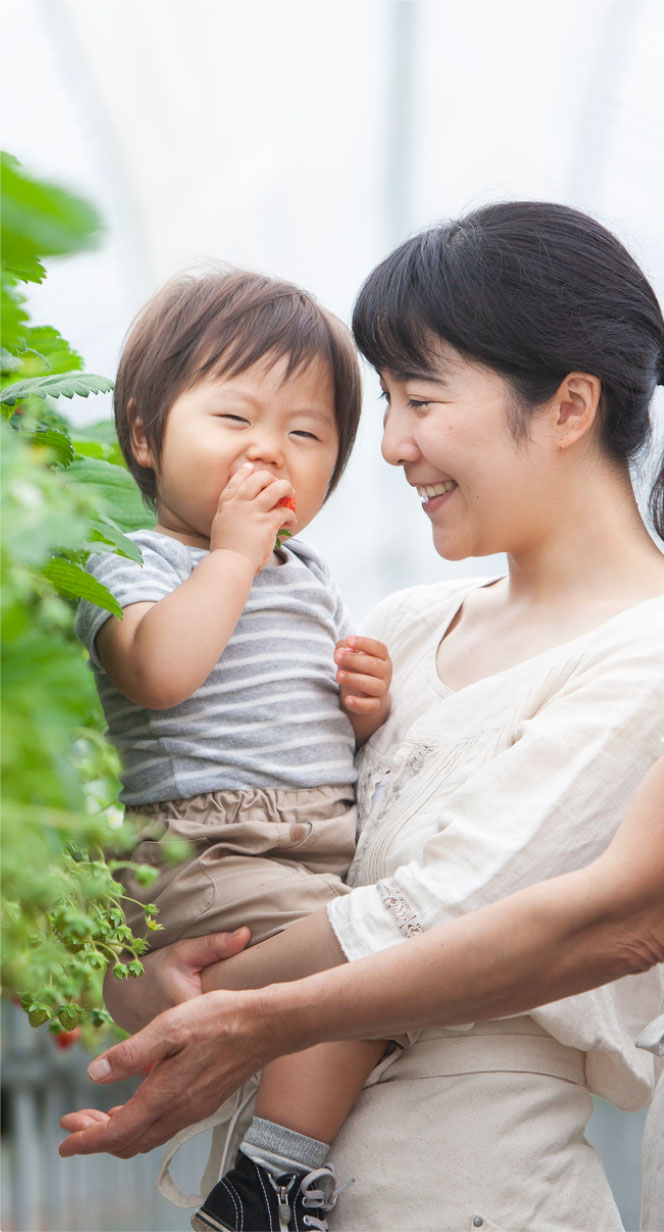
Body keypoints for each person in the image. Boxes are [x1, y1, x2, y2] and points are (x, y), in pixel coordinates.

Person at [64, 203, 664, 1231]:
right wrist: (139, 979)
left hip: (467, 1192)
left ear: (565, 406)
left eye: (416, 398)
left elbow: (435, 910)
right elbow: (237, 834)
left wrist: (183, 1002)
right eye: (383, 400)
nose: (389, 444)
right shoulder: (400, 631)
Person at [72, 268, 396, 1230]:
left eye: (305, 435)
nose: (269, 454)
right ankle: (273, 1179)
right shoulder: (123, 558)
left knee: (378, 972)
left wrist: (362, 710)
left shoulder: (309, 571)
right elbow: (160, 673)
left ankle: (270, 1166)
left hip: (309, 843)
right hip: (203, 848)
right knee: (357, 975)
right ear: (143, 432)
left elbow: (297, 721)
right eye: (235, 421)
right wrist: (232, 555)